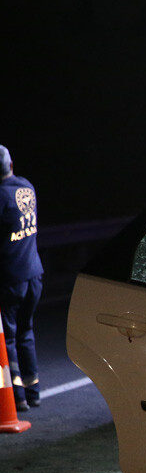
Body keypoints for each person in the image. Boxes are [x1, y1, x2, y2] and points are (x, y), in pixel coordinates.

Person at [0, 145, 43, 411]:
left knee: (9, 338)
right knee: (26, 332)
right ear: (11, 165)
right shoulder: (26, 187)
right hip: (34, 273)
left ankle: (16, 396)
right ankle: (33, 390)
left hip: (9, 278)